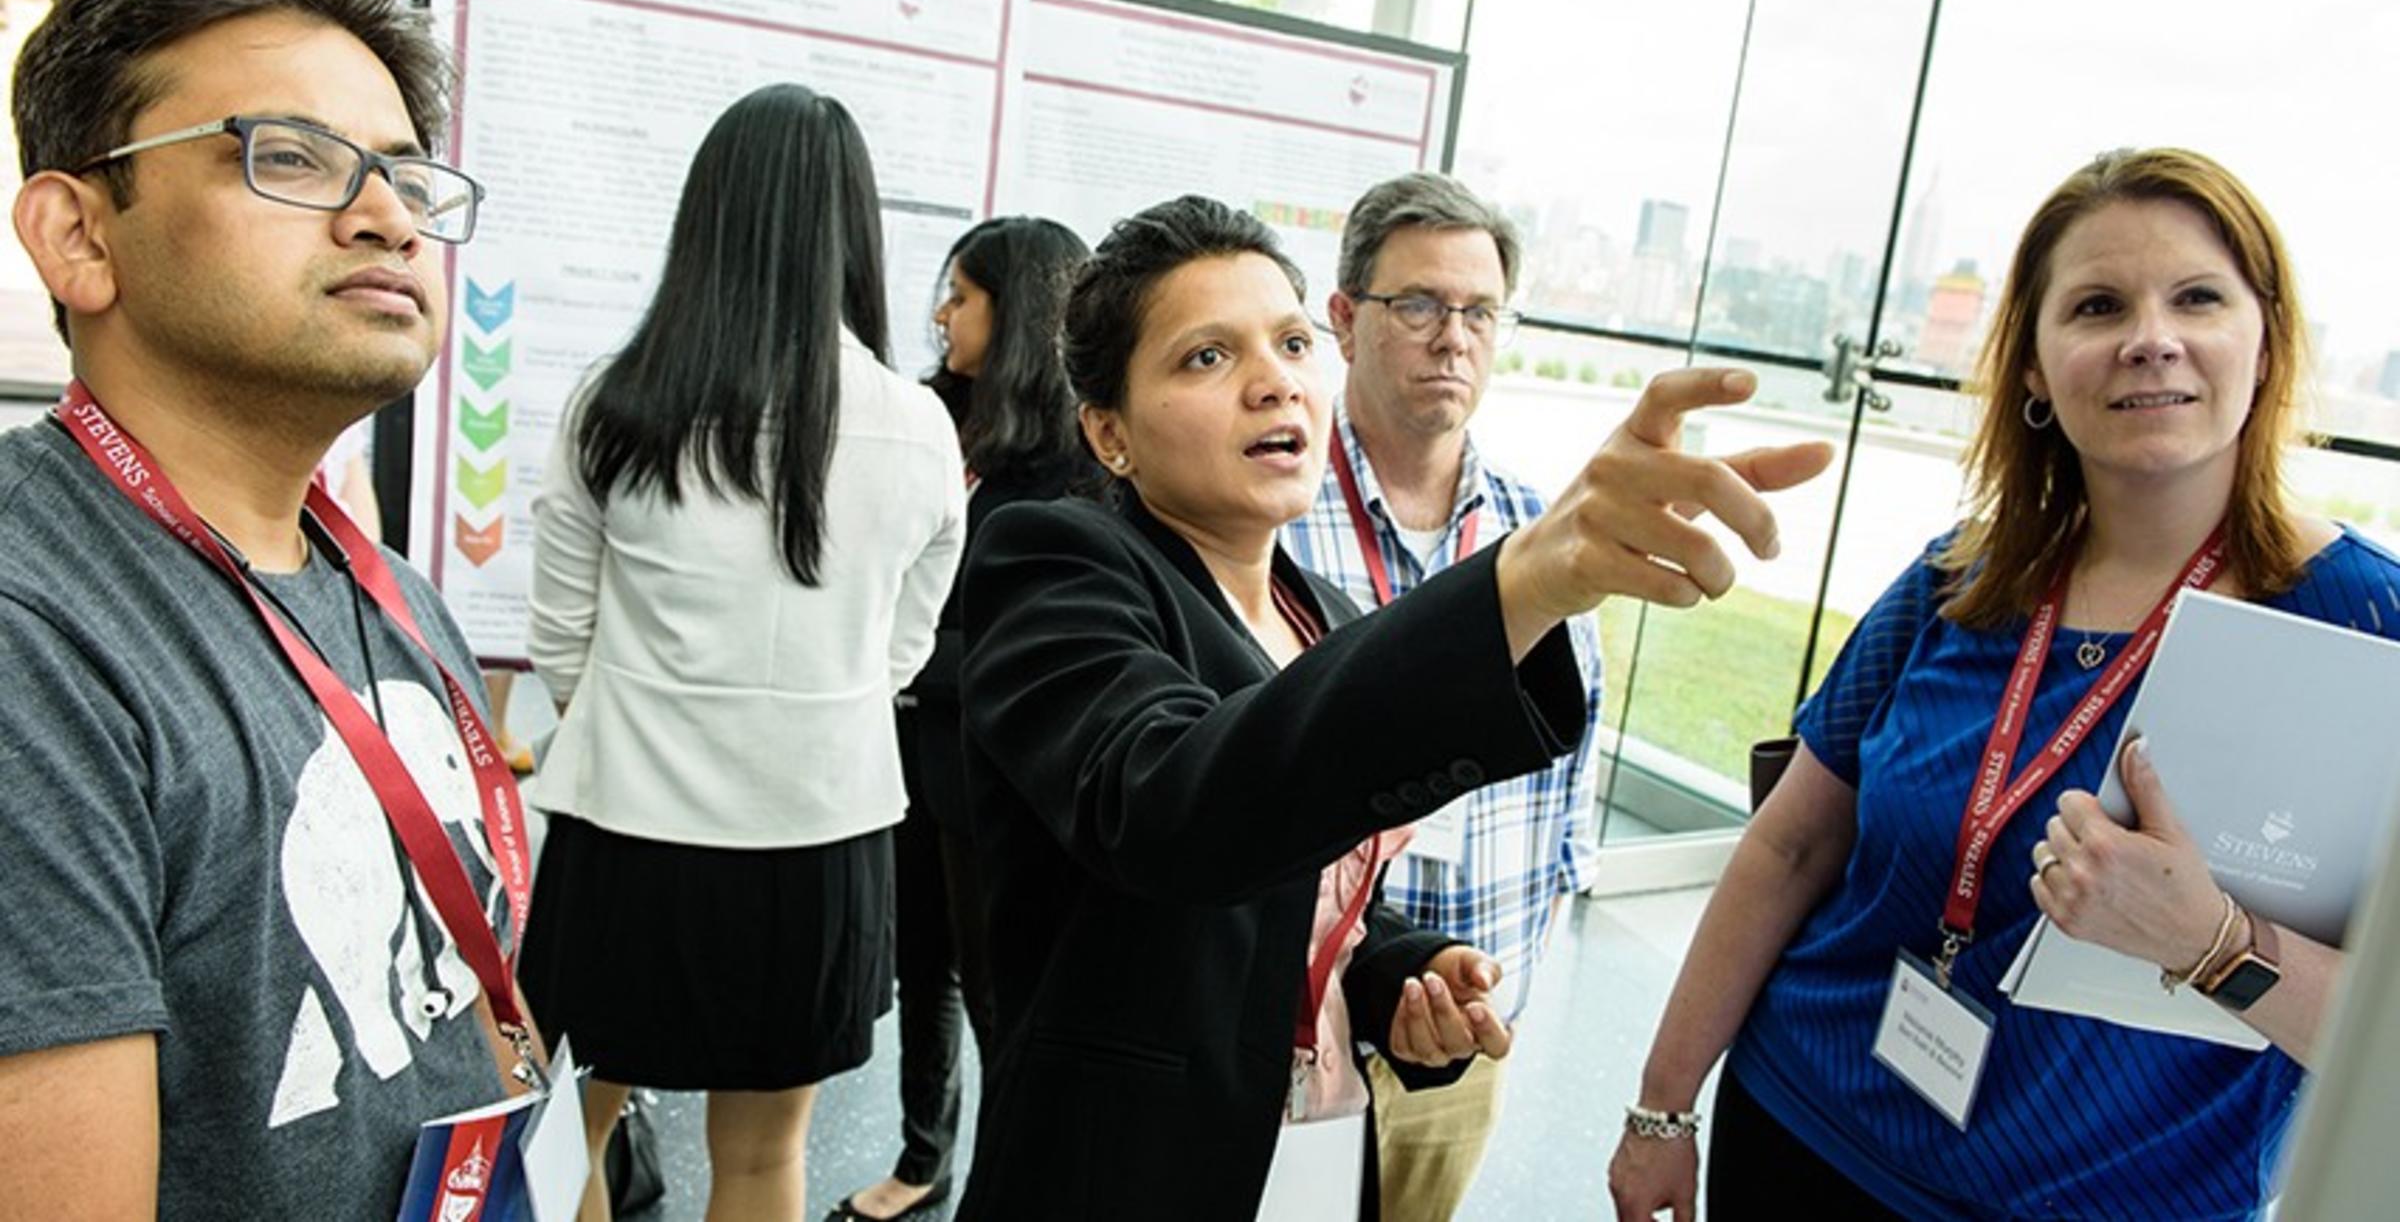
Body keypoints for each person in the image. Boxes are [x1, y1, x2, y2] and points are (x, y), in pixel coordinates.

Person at [954, 195, 1830, 1219]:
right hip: (1126, 1169)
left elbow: (1305, 877)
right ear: (1109, 433)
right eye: (1205, 358)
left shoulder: (1311, 608)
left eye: (1288, 342)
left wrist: (1394, 966)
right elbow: (1173, 806)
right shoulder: (1055, 565)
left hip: (1314, 1138)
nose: (1274, 380)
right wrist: (1524, 580)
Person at [1607, 147, 2400, 1222]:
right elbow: (1789, 849)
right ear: (2034, 366)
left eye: (2198, 297)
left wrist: (2212, 945)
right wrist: (1663, 1108)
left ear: (2265, 338)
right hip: (1803, 1123)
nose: (2150, 338)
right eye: (2098, 305)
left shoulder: (2365, 626)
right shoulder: (1957, 580)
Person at [0, 0, 524, 1214]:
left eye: (408, 178)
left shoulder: (385, 590)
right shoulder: (34, 633)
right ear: (78, 235)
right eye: (290, 157)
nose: (386, 217)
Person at [522, 83, 964, 1221]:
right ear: (856, 231)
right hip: (816, 839)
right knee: (767, 1160)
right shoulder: (918, 426)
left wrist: (644, 718)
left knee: (568, 1127)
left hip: (625, 828)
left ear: (703, 216)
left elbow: (562, 638)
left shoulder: (615, 405)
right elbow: (899, 651)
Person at [1282, 171, 1602, 1220]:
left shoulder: (1535, 530)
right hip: (1296, 1005)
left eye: (1477, 313)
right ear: (1343, 317)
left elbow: (1574, 751)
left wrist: (1533, 928)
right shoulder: (1274, 507)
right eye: (1417, 304)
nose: (1450, 337)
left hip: (1464, 1015)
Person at [830, 215, 1093, 1222]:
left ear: (1017, 311)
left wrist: (900, 659)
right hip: (904, 761)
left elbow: (1020, 644)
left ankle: (1002, 1187)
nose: (940, 312)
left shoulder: (1072, 469)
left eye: (962, 294)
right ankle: (923, 1159)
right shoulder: (925, 423)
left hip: (997, 780)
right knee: (920, 971)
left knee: (998, 998)